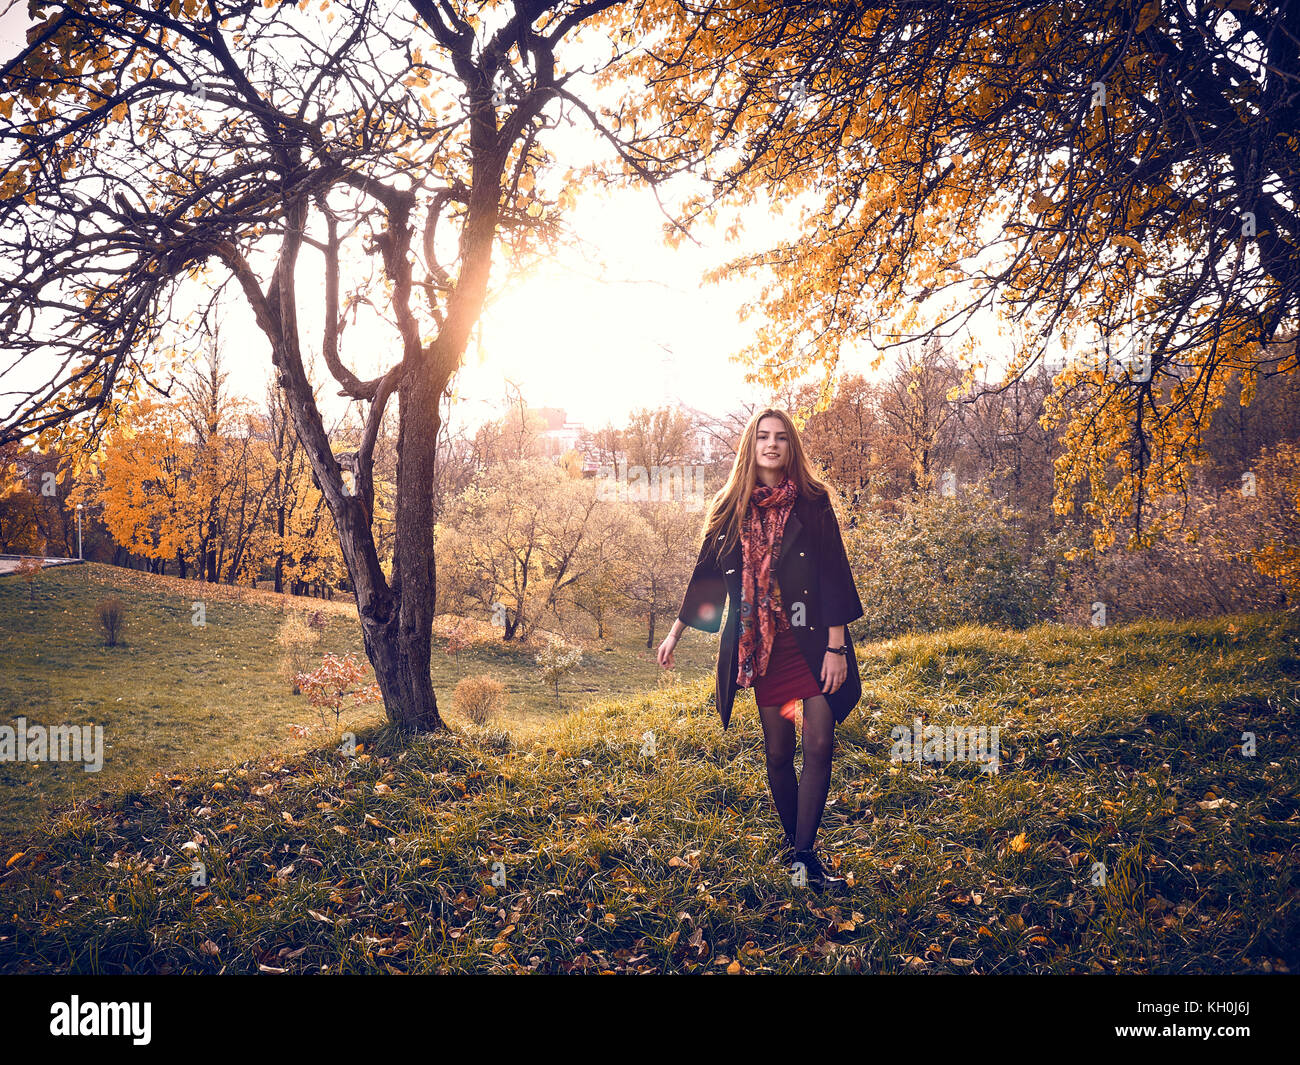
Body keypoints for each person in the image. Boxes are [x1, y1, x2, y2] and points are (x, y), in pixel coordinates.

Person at [657, 408, 865, 890]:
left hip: (813, 643)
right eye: (763, 437)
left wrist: (837, 647)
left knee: (818, 744)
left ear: (791, 447)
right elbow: (705, 580)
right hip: (762, 649)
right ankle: (796, 844)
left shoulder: (813, 503)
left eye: (781, 438)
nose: (771, 445)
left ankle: (804, 856)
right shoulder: (729, 507)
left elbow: (833, 572)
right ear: (751, 446)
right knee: (777, 753)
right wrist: (674, 633)